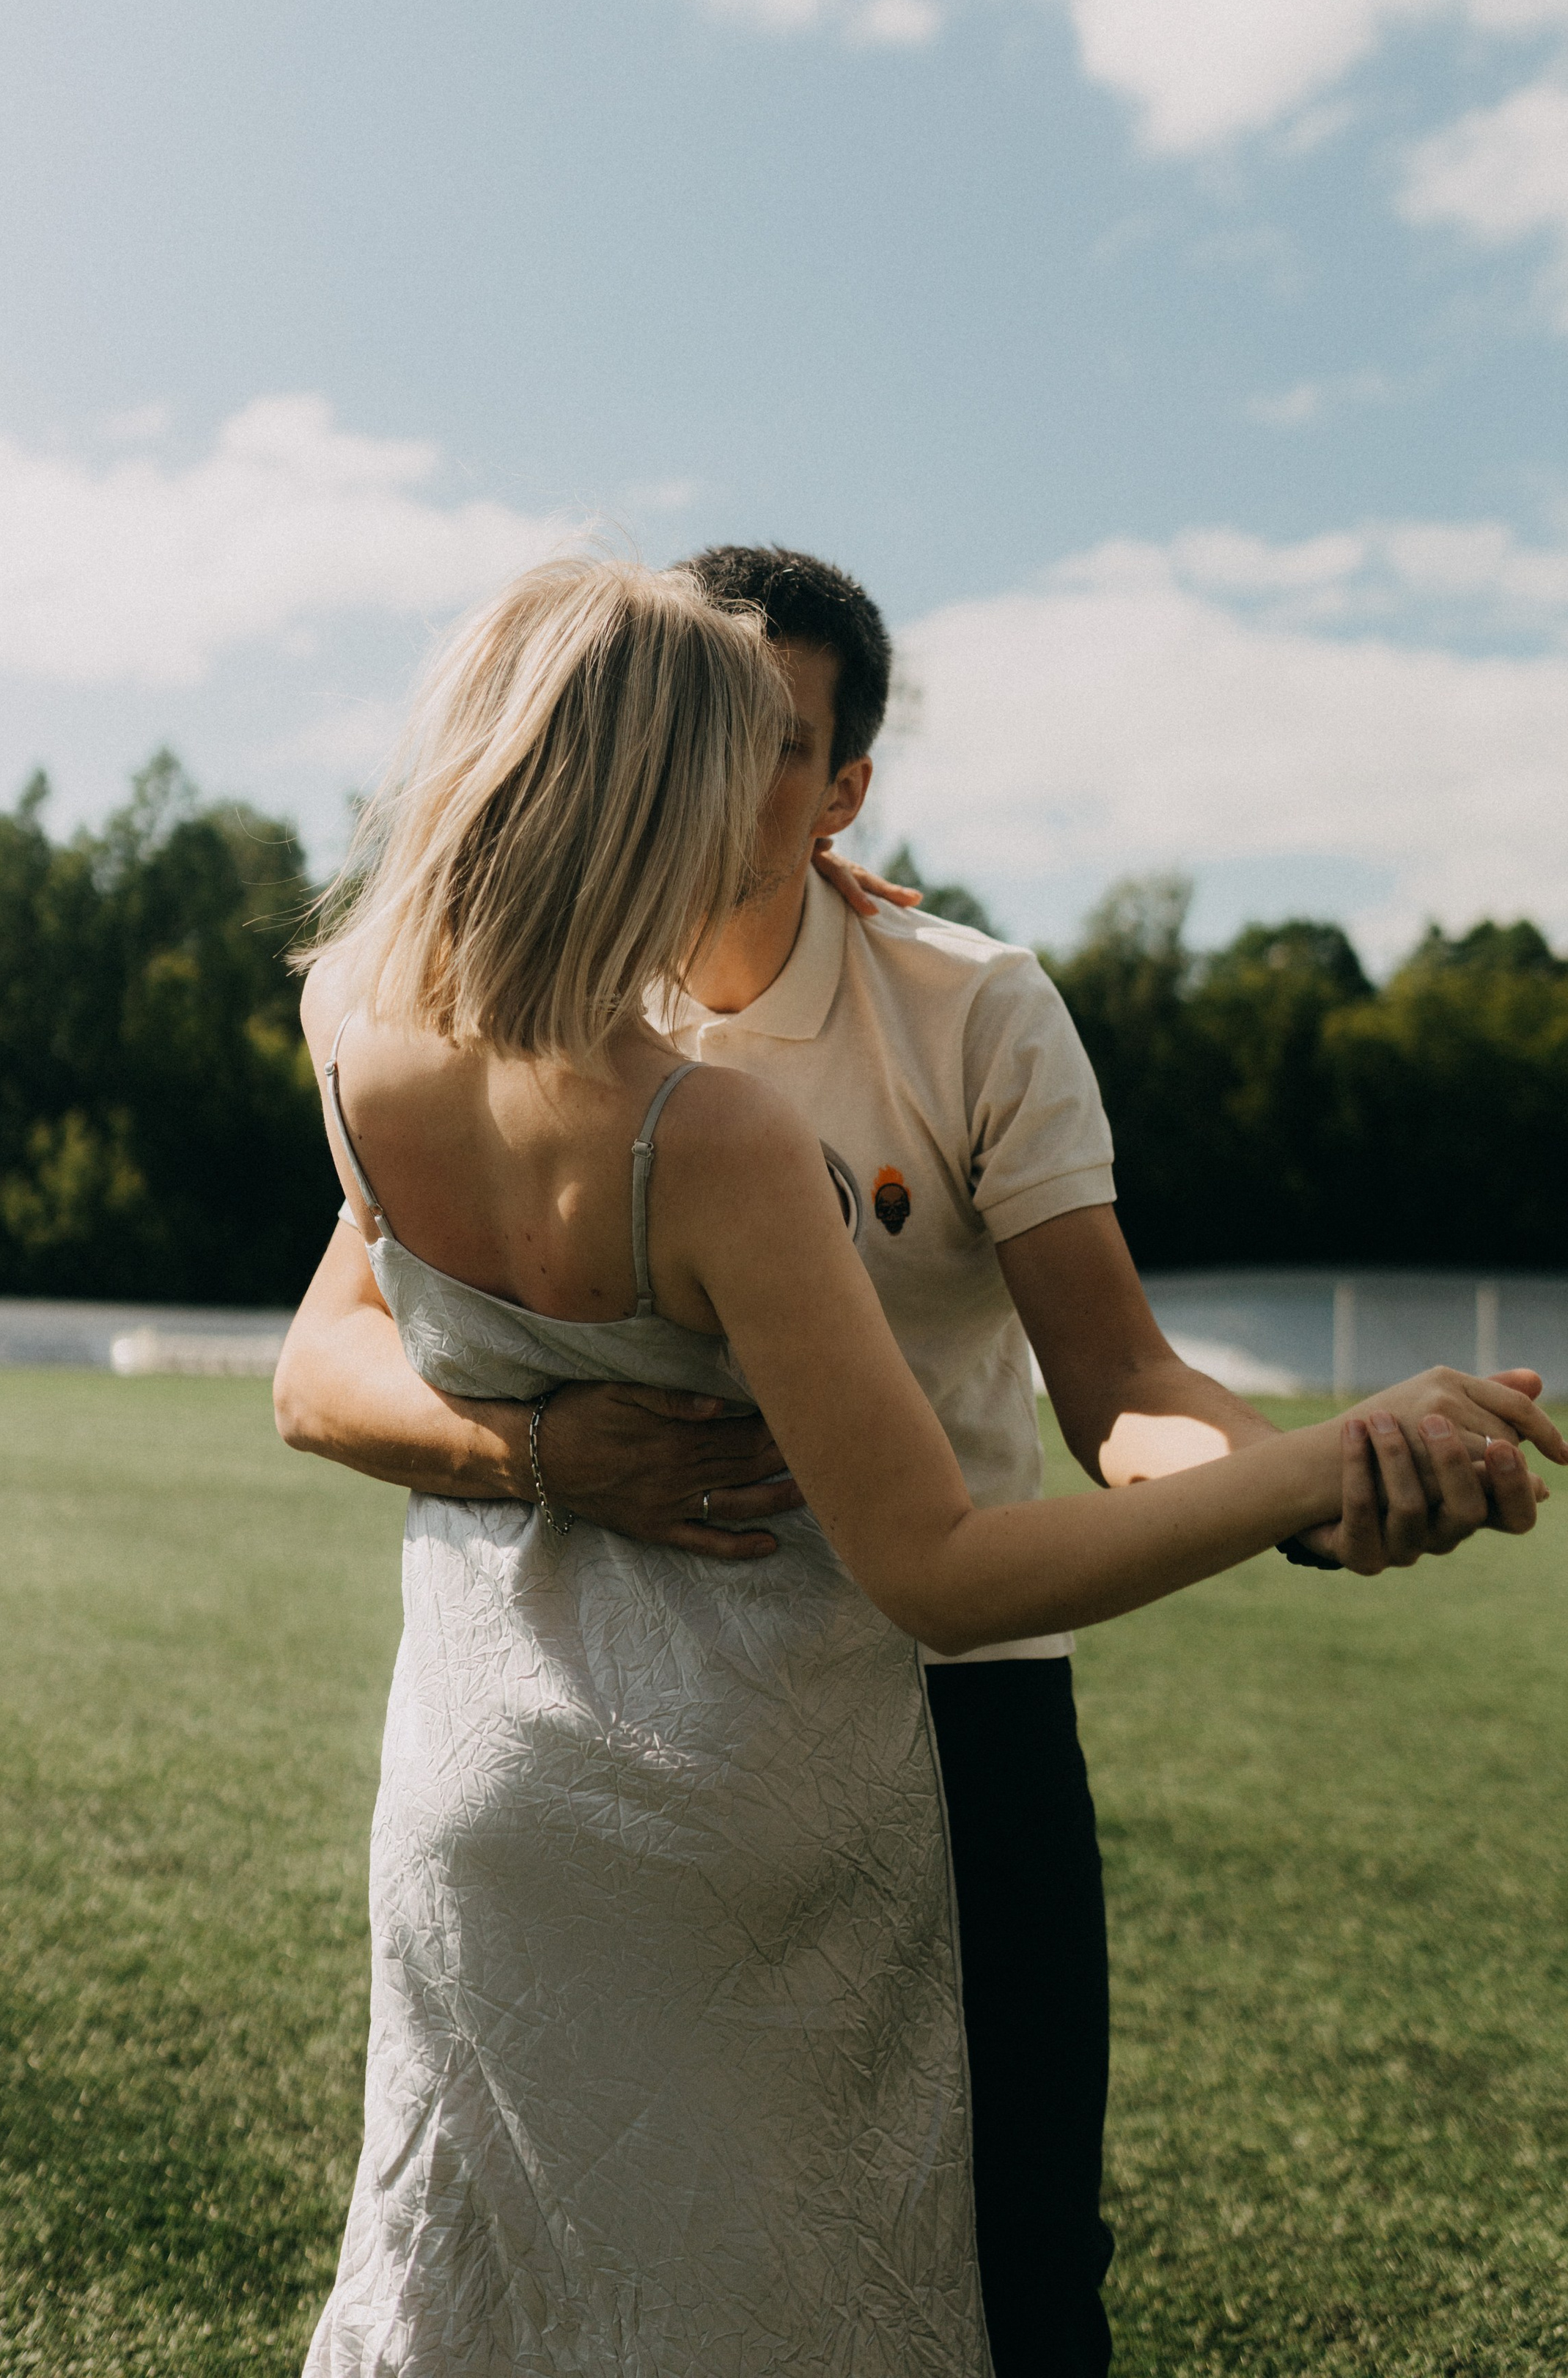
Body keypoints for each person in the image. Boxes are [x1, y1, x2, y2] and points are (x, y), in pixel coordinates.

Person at [279, 547, 1557, 2374]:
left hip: (892, 1729)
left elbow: (1114, 1379)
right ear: (656, 766)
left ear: (838, 786)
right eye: (719, 744)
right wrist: (560, 1451)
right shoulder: (635, 1069)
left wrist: (1294, 1490)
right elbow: (319, 1369)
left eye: (779, 750)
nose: (744, 791)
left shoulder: (949, 1002)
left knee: (957, 2266)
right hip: (676, 1726)